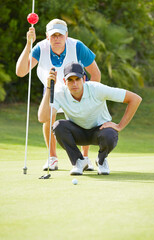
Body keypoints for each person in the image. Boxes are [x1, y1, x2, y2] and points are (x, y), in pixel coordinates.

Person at [16, 18, 101, 171]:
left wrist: (88, 95)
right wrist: (29, 44)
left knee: (82, 118)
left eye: (60, 35)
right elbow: (21, 72)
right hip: (52, 87)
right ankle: (52, 158)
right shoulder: (40, 48)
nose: (57, 39)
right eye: (53, 35)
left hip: (76, 86)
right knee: (48, 119)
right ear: (47, 36)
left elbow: (96, 74)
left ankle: (85, 157)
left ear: (66, 35)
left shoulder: (77, 46)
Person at [38, 62, 142, 175]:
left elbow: (135, 99)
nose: (74, 83)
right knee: (58, 126)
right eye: (70, 80)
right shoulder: (60, 93)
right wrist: (49, 88)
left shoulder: (96, 89)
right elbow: (42, 118)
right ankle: (78, 161)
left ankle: (101, 161)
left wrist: (119, 126)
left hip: (99, 131)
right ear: (64, 81)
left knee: (110, 134)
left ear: (83, 79)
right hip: (78, 133)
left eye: (77, 79)